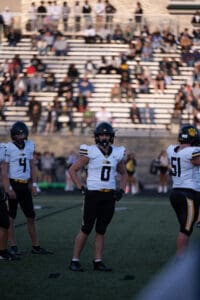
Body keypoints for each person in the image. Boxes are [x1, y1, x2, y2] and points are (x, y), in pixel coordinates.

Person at [68, 122, 128, 271]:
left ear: (112, 136)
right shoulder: (90, 151)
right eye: (102, 134)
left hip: (109, 196)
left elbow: (124, 173)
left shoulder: (117, 152)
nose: (104, 137)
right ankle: (74, 260)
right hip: (93, 194)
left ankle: (98, 261)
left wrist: (121, 190)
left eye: (107, 134)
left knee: (101, 230)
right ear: (96, 136)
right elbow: (72, 170)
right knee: (86, 228)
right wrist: (81, 187)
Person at [1, 121, 52, 256]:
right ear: (13, 135)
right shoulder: (7, 147)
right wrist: (8, 188)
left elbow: (32, 166)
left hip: (24, 185)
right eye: (18, 134)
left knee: (31, 216)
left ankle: (36, 246)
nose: (21, 136)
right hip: (13, 183)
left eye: (23, 133)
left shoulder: (29, 145)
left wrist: (34, 184)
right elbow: (4, 170)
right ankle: (13, 245)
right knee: (11, 217)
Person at [166, 124, 200, 258]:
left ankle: (184, 256)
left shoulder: (171, 149)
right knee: (185, 230)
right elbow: (196, 161)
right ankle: (180, 260)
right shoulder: (191, 152)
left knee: (186, 227)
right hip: (188, 194)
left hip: (176, 193)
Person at [0, 143, 19, 260]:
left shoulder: (4, 148)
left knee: (4, 222)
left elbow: (4, 172)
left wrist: (7, 189)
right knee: (4, 222)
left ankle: (2, 251)